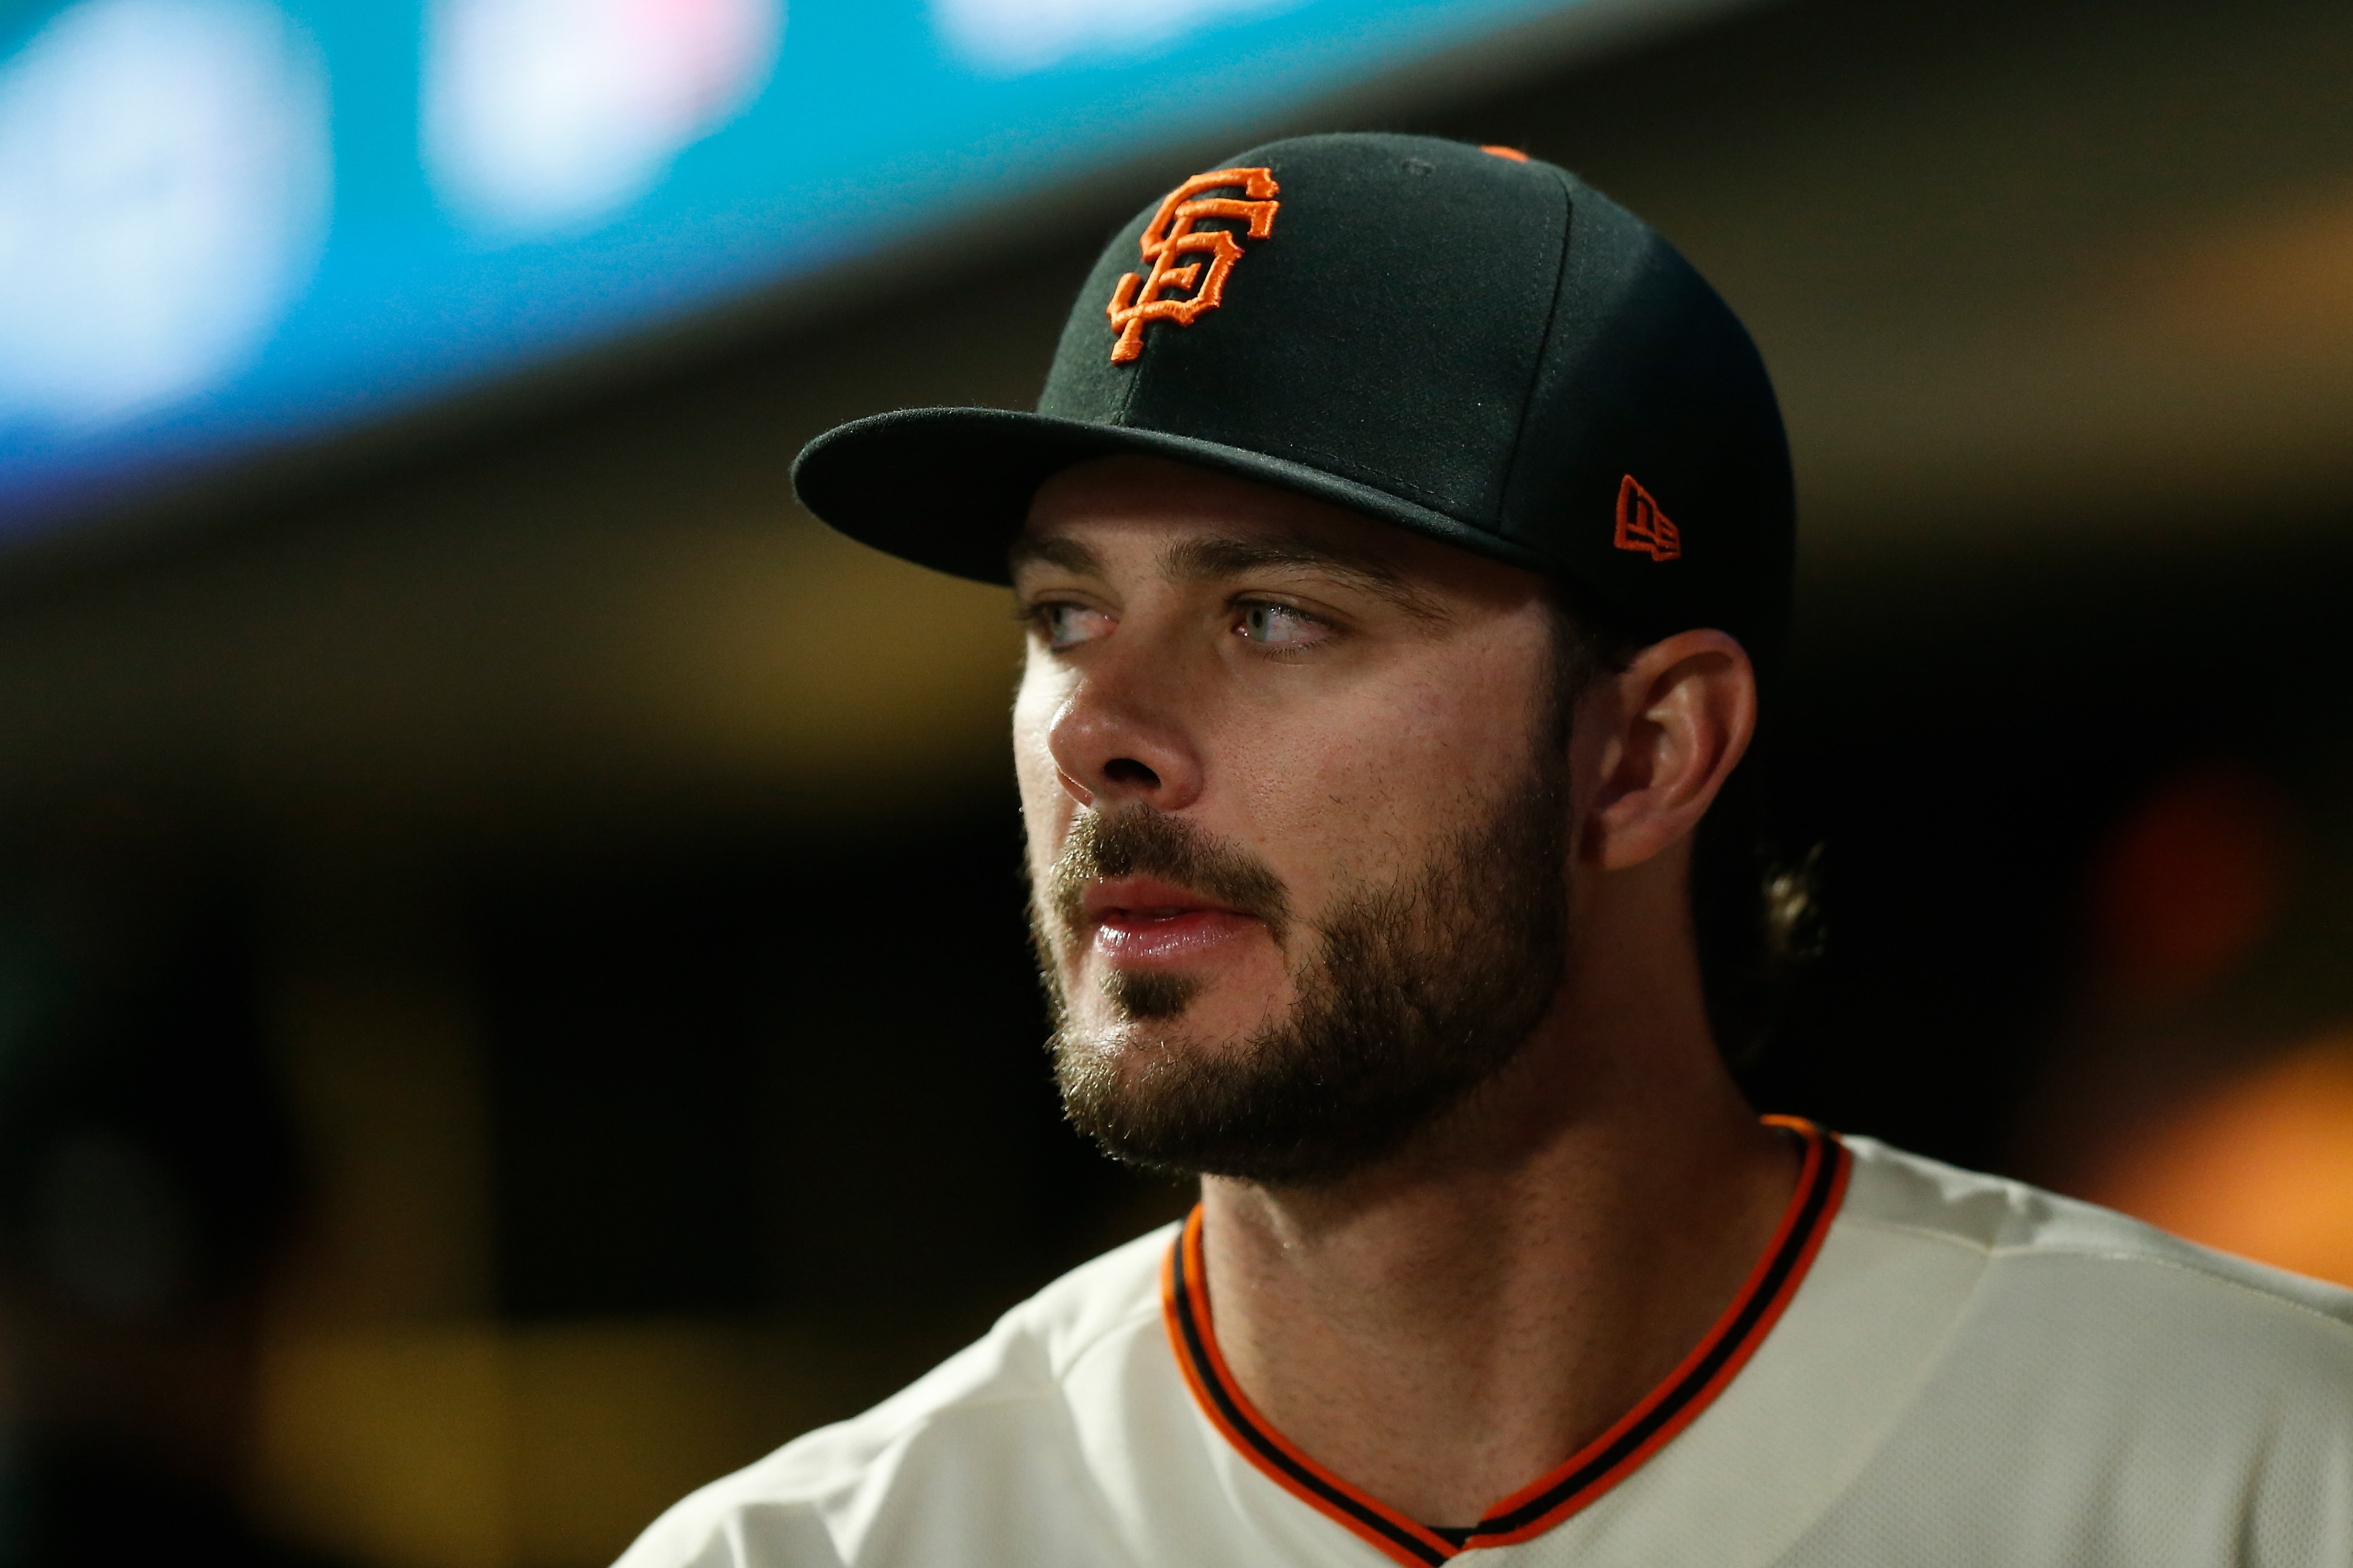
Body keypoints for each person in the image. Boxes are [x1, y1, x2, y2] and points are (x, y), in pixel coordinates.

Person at [618, 134, 2353, 1567]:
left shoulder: (2259, 1470)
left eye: (1275, 614)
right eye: (1067, 614)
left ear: (1645, 751)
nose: (1096, 730)